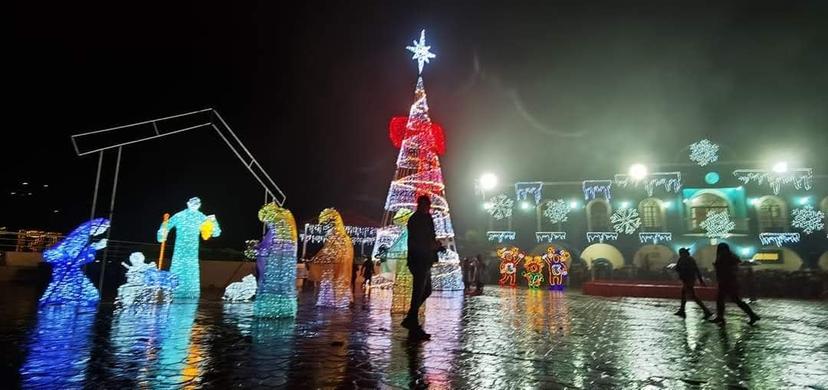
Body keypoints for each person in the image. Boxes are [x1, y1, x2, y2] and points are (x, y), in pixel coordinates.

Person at [401, 195, 443, 340]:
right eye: (424, 205)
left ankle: (411, 318)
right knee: (418, 291)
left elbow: (430, 238)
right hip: (418, 259)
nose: (427, 208)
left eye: (428, 206)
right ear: (419, 205)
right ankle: (412, 324)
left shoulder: (427, 218)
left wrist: (436, 246)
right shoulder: (415, 219)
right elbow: (419, 240)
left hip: (426, 259)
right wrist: (433, 246)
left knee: (426, 290)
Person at [711, 243, 760, 325]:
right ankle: (720, 317)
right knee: (725, 300)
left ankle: (752, 315)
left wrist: (717, 266)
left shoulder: (724, 257)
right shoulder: (731, 256)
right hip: (729, 281)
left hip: (727, 281)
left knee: (732, 300)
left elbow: (726, 268)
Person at [673, 248, 712, 319]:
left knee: (691, 295)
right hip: (688, 279)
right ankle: (682, 310)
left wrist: (700, 280)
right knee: (686, 294)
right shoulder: (685, 259)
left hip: (689, 279)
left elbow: (695, 269)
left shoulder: (687, 260)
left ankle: (706, 311)